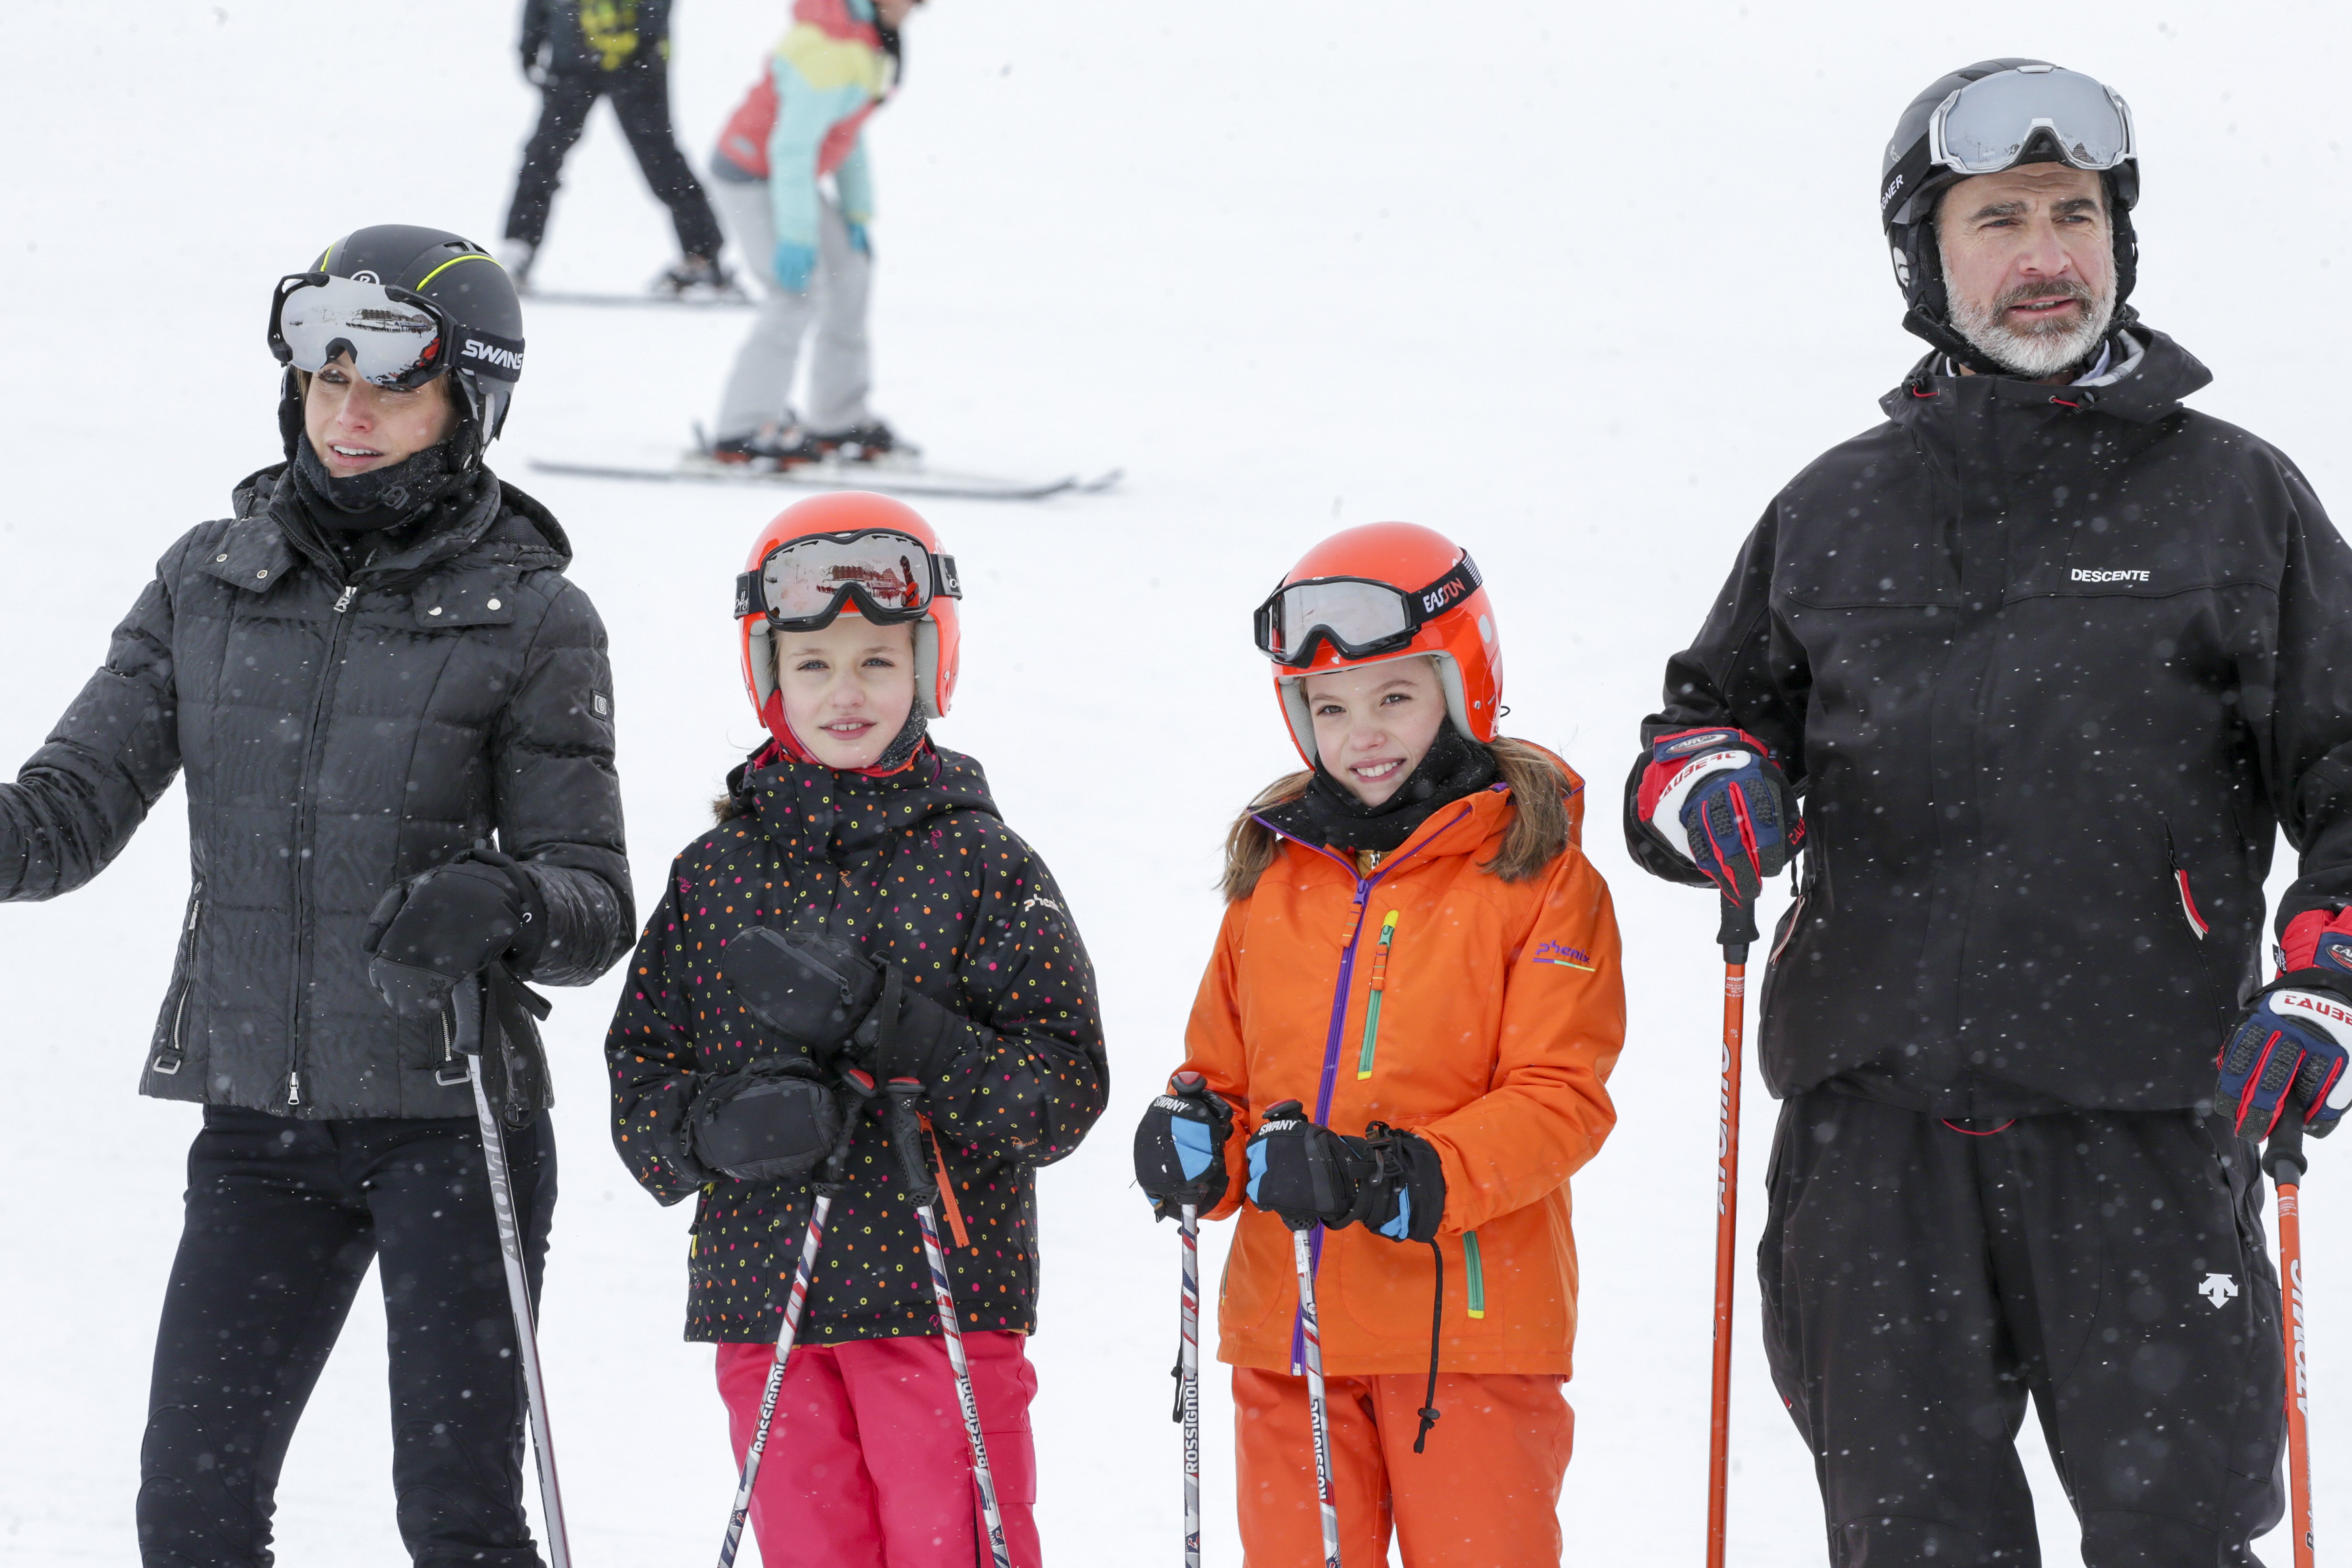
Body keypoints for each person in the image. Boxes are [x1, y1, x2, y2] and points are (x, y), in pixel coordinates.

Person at [1626, 59, 2352, 1565]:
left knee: (2179, 1533)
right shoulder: (1837, 507)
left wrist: (2325, 978)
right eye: (2000, 218)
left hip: (2145, 1126)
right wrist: (1708, 779)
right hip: (1874, 1144)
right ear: (1923, 256)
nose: (2046, 256)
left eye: (2076, 214)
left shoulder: (2235, 503)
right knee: (1907, 1537)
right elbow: (1698, 723)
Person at [0, 226, 632, 1564]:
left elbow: (593, 901)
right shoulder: (208, 583)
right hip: (261, 1134)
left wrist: (505, 898)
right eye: (323, 372)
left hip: (453, 1130)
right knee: (192, 1515)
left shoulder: (531, 617)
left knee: (457, 1521)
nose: (347, 412)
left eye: (391, 384)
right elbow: (57, 821)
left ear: (471, 403)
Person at [605, 490, 1106, 1567]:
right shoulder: (715, 875)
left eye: (878, 662)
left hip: (939, 1300)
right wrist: (719, 1130)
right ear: (767, 676)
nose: (846, 693)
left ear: (932, 666)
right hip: (766, 1298)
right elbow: (641, 1085)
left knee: (951, 1546)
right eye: (814, 664)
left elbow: (1062, 1090)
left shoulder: (985, 865)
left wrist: (909, 1039)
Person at [1134, 522, 1625, 1567]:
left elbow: (1559, 1096)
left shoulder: (1538, 878)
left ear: (1466, 682)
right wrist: (1197, 1135)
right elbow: (1222, 1072)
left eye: (1396, 696)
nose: (1364, 733)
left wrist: (1406, 1175)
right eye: (1330, 707)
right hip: (1286, 1335)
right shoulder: (1275, 873)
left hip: (1467, 1336)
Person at [703, 0, 921, 467]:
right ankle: (741, 428)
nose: (915, 9)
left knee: (851, 271)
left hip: (788, 175)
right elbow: (792, 148)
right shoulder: (829, 48)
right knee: (794, 293)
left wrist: (857, 213)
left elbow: (847, 131)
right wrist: (797, 236)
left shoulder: (867, 41)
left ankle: (837, 418)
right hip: (751, 174)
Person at [503, 0, 731, 297]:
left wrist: (638, 41)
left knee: (660, 160)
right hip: (584, 63)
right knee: (543, 156)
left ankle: (702, 257)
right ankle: (518, 248)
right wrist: (530, 46)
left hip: (628, 65)